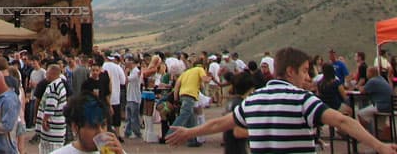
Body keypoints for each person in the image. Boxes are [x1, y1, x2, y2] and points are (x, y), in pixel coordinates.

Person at [166, 46, 397, 154]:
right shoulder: (303, 100)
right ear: (290, 71)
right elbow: (343, 121)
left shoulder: (253, 100)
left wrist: (190, 132)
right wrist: (379, 146)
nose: (307, 77)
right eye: (305, 71)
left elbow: (220, 124)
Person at [50, 92, 124, 154]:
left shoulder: (115, 151)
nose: (100, 132)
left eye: (103, 125)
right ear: (75, 127)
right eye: (93, 126)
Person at [170, 59, 208, 147]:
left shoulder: (185, 73)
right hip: (191, 95)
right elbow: (204, 81)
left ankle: (192, 140)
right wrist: (209, 78)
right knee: (184, 116)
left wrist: (176, 100)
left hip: (183, 95)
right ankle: (170, 135)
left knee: (191, 119)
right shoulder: (200, 69)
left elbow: (176, 87)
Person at [37, 64, 68, 154]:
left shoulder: (54, 88)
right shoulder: (59, 84)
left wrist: (44, 121)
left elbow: (50, 107)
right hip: (56, 131)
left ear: (52, 74)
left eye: (47, 73)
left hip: (52, 131)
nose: (46, 75)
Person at [357, 67, 393, 136]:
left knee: (360, 114)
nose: (366, 74)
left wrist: (358, 86)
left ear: (371, 73)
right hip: (389, 106)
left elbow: (363, 91)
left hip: (381, 105)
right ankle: (378, 136)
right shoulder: (381, 78)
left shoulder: (372, 81)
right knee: (379, 126)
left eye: (367, 72)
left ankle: (369, 134)